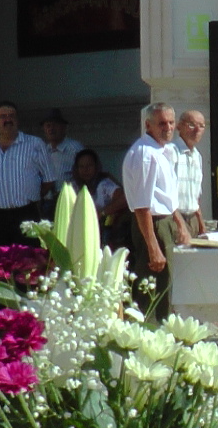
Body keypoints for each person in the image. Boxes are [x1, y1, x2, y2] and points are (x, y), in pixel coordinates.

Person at [0, 101, 54, 250]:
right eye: (2, 116)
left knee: (28, 262)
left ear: (17, 119)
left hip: (26, 214)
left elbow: (49, 179)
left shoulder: (35, 144)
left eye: (11, 116)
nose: (8, 120)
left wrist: (30, 196)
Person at [122, 102, 178, 320]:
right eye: (162, 123)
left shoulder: (163, 151)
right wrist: (153, 246)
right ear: (148, 125)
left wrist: (179, 225)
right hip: (151, 224)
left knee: (166, 285)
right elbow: (142, 205)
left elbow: (168, 197)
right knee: (153, 287)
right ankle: (150, 333)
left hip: (164, 222)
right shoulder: (145, 154)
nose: (168, 127)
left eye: (171, 122)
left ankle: (162, 331)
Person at [71, 149, 128, 249]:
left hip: (104, 231)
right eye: (81, 167)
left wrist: (102, 213)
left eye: (89, 166)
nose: (85, 170)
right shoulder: (73, 187)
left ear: (96, 167)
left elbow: (124, 198)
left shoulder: (104, 184)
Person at [171, 109, 207, 241]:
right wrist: (180, 225)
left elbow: (196, 196)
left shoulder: (197, 156)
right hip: (174, 218)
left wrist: (201, 224)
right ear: (179, 126)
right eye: (191, 125)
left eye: (202, 126)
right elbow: (166, 194)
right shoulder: (171, 152)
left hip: (192, 219)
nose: (197, 130)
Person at [39, 109, 83, 200]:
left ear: (64, 127)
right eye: (48, 126)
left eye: (55, 125)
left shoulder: (75, 149)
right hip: (47, 201)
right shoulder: (43, 151)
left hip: (70, 199)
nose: (51, 129)